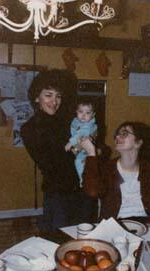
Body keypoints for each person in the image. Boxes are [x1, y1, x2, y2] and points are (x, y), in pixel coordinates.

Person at [21, 69, 97, 231]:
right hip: (58, 192)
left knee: (86, 235)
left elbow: (92, 135)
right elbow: (49, 164)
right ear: (36, 97)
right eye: (48, 95)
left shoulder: (68, 119)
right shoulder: (30, 129)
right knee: (59, 239)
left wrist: (92, 144)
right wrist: (79, 149)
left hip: (83, 187)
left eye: (58, 96)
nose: (54, 101)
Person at [81, 121, 150, 229]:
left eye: (124, 133)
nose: (117, 137)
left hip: (147, 223)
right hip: (115, 224)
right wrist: (91, 152)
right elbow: (92, 192)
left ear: (138, 142)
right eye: (117, 135)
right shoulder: (107, 169)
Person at [65, 100, 97, 186]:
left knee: (79, 163)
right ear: (76, 112)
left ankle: (83, 181)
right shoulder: (75, 121)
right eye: (80, 112)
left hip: (85, 152)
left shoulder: (89, 125)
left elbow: (81, 133)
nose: (83, 115)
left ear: (93, 114)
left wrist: (70, 142)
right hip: (79, 149)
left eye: (87, 113)